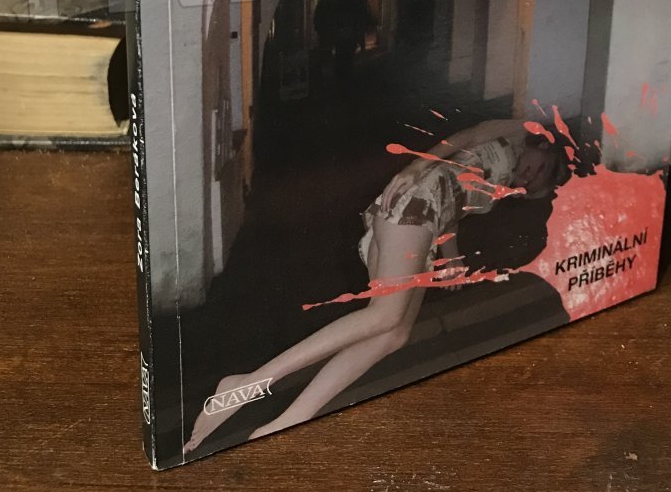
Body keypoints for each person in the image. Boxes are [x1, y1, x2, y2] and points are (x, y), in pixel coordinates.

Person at [185, 118, 570, 452]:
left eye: (534, 183)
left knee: (394, 333)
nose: (528, 177)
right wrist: (414, 168)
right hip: (414, 203)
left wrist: (451, 255)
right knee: (384, 315)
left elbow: (454, 202)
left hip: (427, 222)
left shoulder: (501, 180)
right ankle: (248, 385)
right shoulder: (516, 130)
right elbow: (464, 138)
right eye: (540, 168)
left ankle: (289, 419)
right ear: (543, 146)